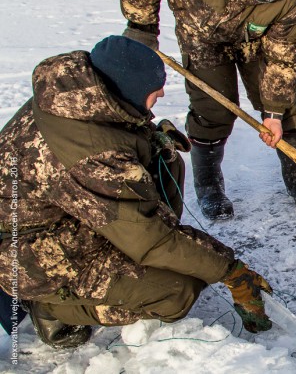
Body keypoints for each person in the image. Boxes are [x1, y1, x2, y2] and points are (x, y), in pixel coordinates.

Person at [0, 36, 273, 349]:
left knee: (166, 161)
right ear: (125, 90)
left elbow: (115, 133)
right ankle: (51, 308)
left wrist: (149, 139)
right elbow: (152, 237)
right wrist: (230, 270)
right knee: (178, 290)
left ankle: (135, 256)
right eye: (152, 92)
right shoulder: (91, 153)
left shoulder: (76, 94)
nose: (160, 95)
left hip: (68, 219)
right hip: (34, 258)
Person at [120, 0, 296, 220]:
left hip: (258, 38)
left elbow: (283, 58)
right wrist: (141, 27)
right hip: (202, 34)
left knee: (287, 107)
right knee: (213, 110)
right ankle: (209, 187)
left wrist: (273, 113)